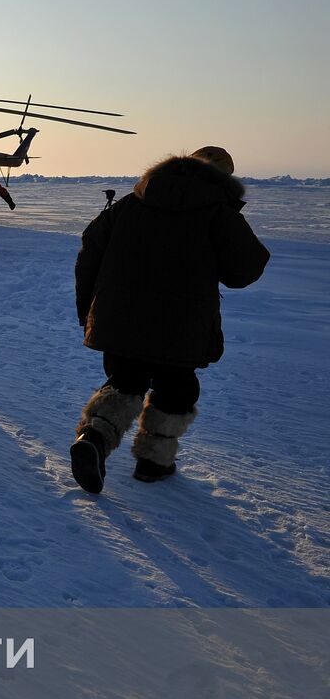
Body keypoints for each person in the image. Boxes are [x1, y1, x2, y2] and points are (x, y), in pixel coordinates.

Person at [69, 146, 269, 493]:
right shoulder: (218, 212)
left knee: (124, 381)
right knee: (177, 390)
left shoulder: (130, 204)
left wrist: (90, 310)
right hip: (183, 326)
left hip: (121, 321)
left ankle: (94, 439)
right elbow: (245, 270)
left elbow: (90, 250)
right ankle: (153, 462)